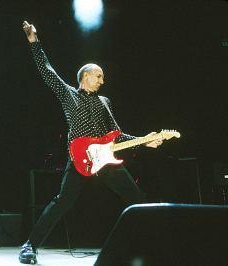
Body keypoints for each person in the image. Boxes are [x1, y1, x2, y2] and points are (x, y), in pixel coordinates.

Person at [19, 21, 163, 264]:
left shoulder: (104, 101)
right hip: (79, 157)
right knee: (61, 202)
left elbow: (116, 135)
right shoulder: (68, 94)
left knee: (137, 198)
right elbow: (46, 70)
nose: (102, 81)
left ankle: (155, 245)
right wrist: (34, 42)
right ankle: (29, 246)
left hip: (105, 158)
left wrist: (144, 141)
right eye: (99, 76)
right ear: (86, 76)